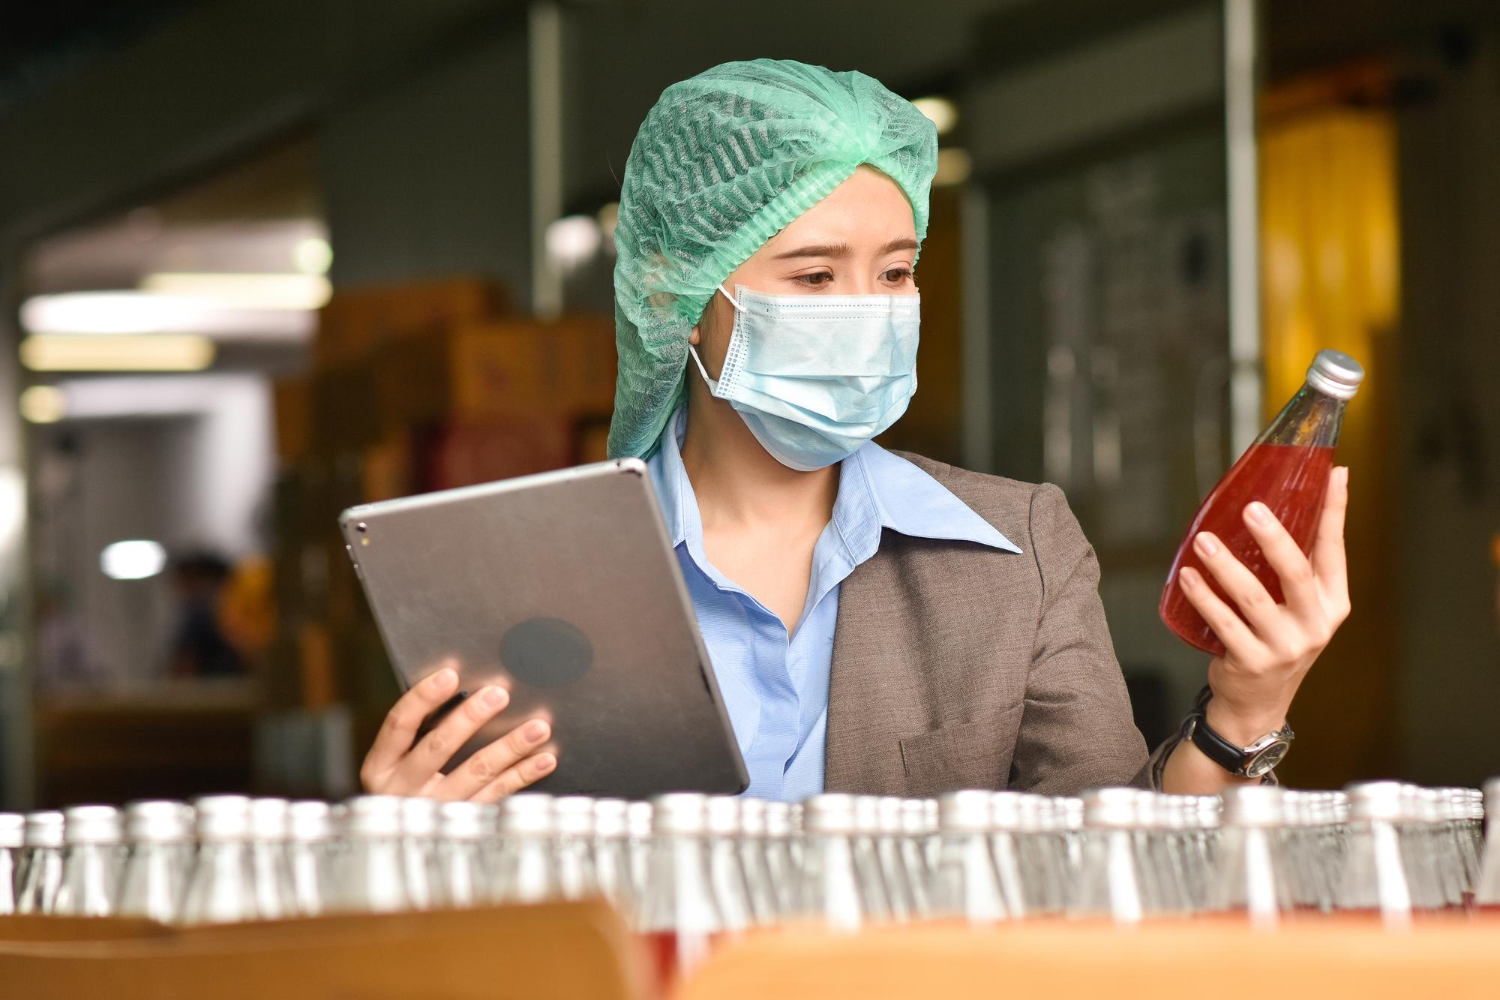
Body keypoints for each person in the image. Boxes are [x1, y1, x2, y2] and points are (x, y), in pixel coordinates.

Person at [360, 59, 1351, 802]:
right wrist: (401, 847)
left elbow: (1117, 868)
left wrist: (1243, 713)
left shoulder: (1018, 551)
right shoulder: (515, 571)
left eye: (896, 271)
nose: (867, 310)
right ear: (677, 293)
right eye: (815, 275)